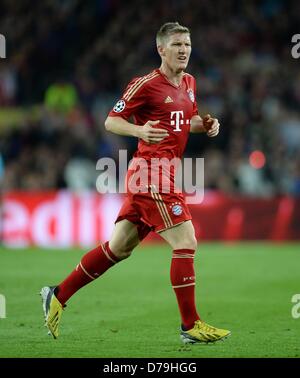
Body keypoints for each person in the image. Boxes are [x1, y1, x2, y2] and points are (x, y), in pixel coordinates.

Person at [41, 22, 230, 344]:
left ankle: (57, 294)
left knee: (119, 248)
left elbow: (187, 121)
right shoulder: (145, 84)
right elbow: (111, 121)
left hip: (166, 171)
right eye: (176, 45)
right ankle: (190, 325)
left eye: (187, 44)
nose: (184, 50)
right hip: (150, 173)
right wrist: (139, 131)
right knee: (186, 241)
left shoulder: (189, 82)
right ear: (161, 49)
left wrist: (206, 125)